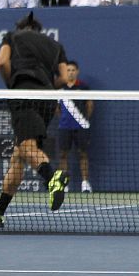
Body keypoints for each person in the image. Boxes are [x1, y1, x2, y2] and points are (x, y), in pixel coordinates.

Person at [0, 12, 70, 228]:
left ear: (22, 28)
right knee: (19, 156)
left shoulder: (12, 36)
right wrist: (47, 87)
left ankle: (52, 177)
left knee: (26, 146)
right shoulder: (55, 45)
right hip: (48, 99)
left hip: (23, 92)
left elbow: (2, 62)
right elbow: (64, 78)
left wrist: (12, 85)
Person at [57, 61, 94, 194]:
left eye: (73, 70)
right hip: (64, 127)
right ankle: (63, 184)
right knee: (63, 155)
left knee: (83, 154)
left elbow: (89, 105)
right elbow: (57, 108)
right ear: (65, 72)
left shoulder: (83, 87)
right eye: (68, 70)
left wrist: (83, 120)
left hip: (81, 126)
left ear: (77, 71)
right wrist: (64, 119)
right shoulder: (60, 88)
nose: (70, 72)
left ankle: (85, 184)